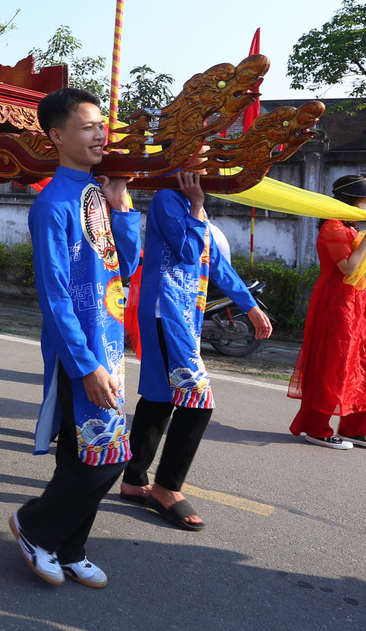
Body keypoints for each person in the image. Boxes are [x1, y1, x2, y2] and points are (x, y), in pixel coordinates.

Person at [10, 88, 140, 589]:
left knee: (88, 454)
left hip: (109, 348)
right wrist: (86, 366)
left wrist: (122, 208)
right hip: (80, 353)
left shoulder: (95, 196)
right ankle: (34, 525)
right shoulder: (52, 205)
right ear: (57, 136)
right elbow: (55, 297)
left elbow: (124, 269)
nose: (100, 133)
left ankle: (70, 548)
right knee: (107, 456)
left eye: (101, 124)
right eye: (87, 126)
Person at [119, 169, 272, 531]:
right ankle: (167, 487)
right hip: (165, 312)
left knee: (160, 398)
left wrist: (249, 305)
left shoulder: (188, 207)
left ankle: (133, 479)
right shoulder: (167, 201)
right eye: (199, 158)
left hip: (184, 315)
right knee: (198, 401)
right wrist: (199, 207)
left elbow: (215, 263)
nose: (207, 168)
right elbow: (188, 252)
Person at [288, 174, 366, 450]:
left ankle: (356, 428)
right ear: (352, 200)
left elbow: (357, 278)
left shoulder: (349, 227)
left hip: (356, 304)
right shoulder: (333, 227)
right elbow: (348, 269)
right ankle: (317, 428)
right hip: (336, 304)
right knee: (333, 365)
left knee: (365, 364)